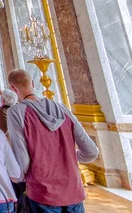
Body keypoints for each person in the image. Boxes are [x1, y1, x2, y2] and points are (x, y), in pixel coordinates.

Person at [6, 69, 99, 213]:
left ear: (13, 88)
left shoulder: (16, 112)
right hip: (73, 188)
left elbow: (22, 158)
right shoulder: (62, 108)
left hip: (42, 190)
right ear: (32, 83)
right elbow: (91, 151)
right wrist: (70, 157)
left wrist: (17, 178)